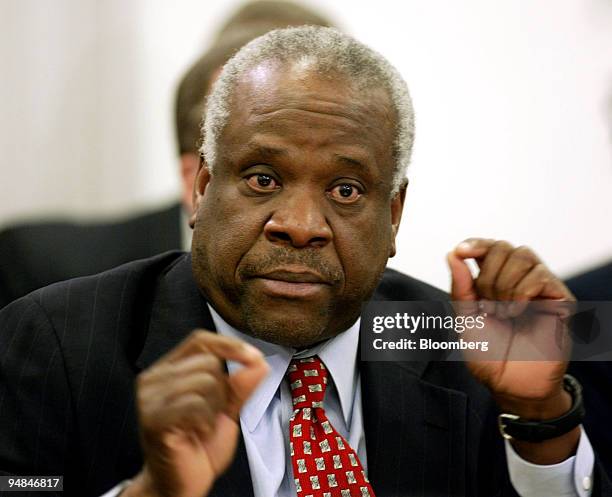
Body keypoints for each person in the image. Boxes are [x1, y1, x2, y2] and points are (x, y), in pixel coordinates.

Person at [0, 27, 608, 497]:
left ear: (393, 215)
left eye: (346, 191)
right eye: (263, 178)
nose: (301, 226)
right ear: (202, 189)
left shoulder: (451, 342)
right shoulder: (55, 342)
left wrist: (540, 420)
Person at [0, 0, 334, 310]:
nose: (301, 223)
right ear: (196, 175)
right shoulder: (50, 275)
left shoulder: (381, 311)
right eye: (263, 177)